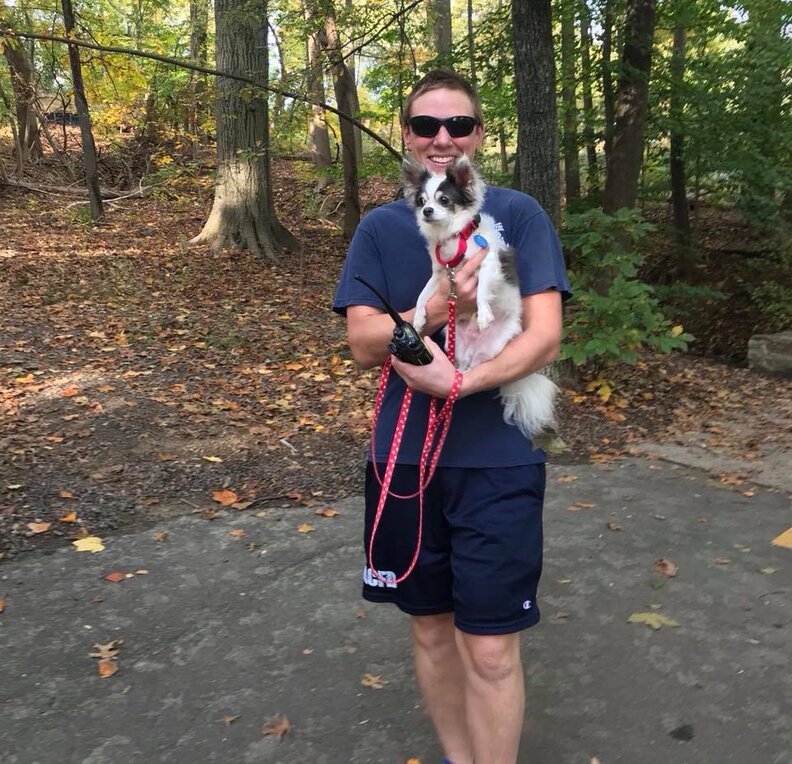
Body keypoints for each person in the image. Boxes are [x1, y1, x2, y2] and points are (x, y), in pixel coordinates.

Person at [332, 69, 571, 764]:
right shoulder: (380, 226)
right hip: (404, 455)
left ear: (479, 136)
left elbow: (544, 336)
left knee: (492, 648)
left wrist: (459, 381)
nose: (442, 139)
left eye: (458, 125)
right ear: (406, 137)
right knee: (431, 631)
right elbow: (360, 342)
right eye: (426, 126)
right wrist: (432, 311)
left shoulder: (520, 215)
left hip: (498, 460)